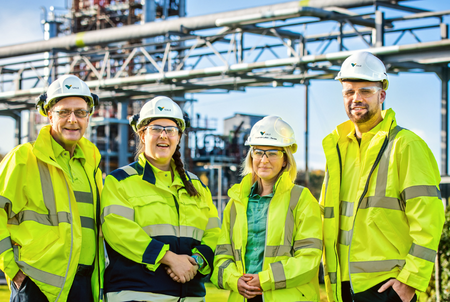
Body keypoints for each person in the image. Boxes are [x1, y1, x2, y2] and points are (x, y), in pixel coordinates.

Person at [320, 51, 445, 302]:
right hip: (342, 284)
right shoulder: (336, 149)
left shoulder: (406, 145)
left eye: (365, 91)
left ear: (382, 94)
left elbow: (429, 222)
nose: (356, 98)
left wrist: (410, 280)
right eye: (349, 92)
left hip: (386, 287)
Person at [100, 96, 220, 302]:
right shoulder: (120, 181)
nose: (163, 136)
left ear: (179, 137)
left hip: (191, 297)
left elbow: (215, 233)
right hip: (136, 295)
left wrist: (195, 262)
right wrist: (170, 259)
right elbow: (119, 232)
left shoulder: (198, 187)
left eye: (170, 130)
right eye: (156, 128)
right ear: (142, 134)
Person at [0, 74, 104, 302]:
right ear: (48, 114)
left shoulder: (91, 163)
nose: (73, 119)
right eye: (64, 112)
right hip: (36, 284)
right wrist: (13, 270)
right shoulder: (24, 158)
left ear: (88, 116)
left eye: (80, 112)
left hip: (84, 284)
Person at [211, 115, 323, 302]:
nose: (264, 160)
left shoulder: (301, 199)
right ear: (251, 156)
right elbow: (222, 256)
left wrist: (264, 280)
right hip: (242, 297)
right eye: (258, 152)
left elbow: (309, 259)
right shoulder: (236, 202)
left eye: (272, 153)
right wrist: (235, 280)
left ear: (285, 160)